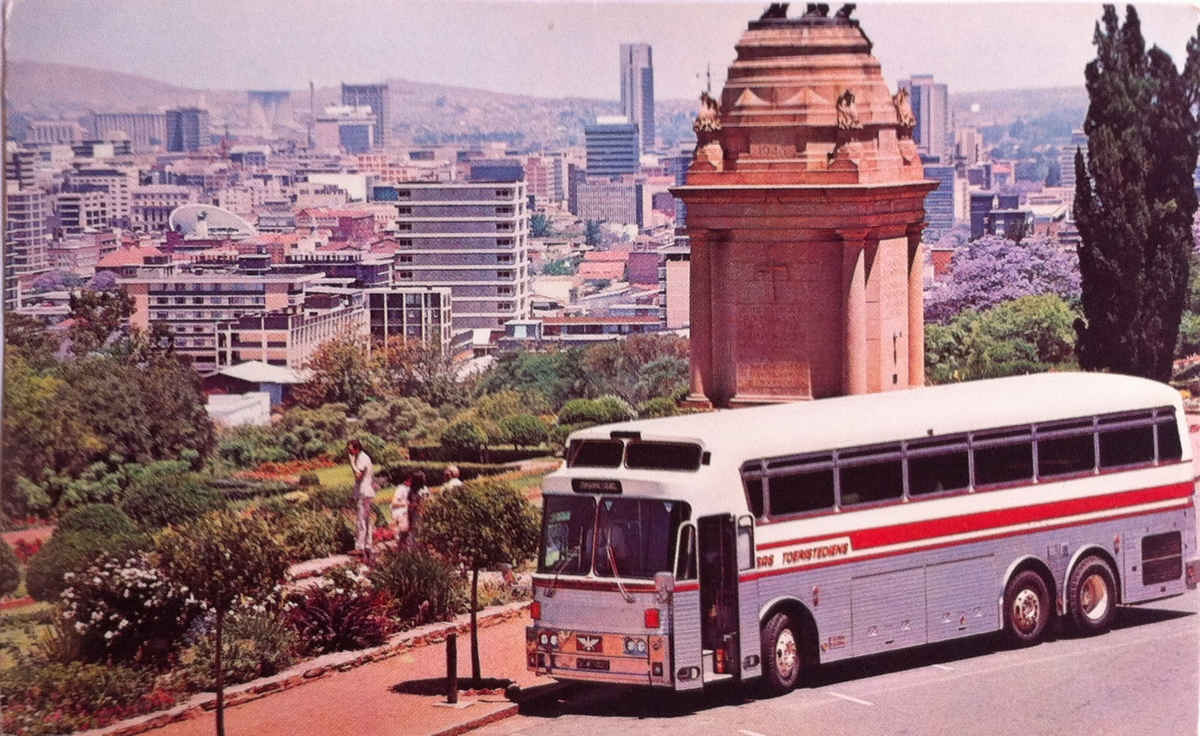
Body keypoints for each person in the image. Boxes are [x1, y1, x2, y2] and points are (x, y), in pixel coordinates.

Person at [347, 439, 375, 561]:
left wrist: (351, 463)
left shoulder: (362, 458)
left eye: (350, 449)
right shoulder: (363, 457)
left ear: (356, 448)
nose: (349, 451)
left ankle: (360, 547)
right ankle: (368, 545)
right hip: (366, 492)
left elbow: (358, 476)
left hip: (364, 493)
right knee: (366, 520)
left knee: (361, 520)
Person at [406, 470, 429, 549]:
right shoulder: (424, 489)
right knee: (417, 532)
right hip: (420, 513)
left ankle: (415, 549)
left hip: (418, 513)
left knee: (415, 532)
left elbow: (412, 505)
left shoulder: (415, 491)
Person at [390, 474, 412, 545]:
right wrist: (406, 504)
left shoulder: (410, 488)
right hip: (400, 513)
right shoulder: (401, 488)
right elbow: (394, 502)